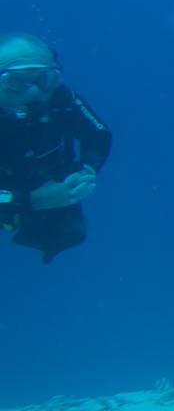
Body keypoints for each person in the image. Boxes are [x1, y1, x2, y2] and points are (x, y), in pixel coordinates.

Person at [0, 33, 111, 263]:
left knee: (64, 231)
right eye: (16, 81)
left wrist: (86, 170)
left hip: (37, 179)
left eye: (45, 78)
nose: (33, 91)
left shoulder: (60, 97)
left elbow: (98, 133)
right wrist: (37, 199)